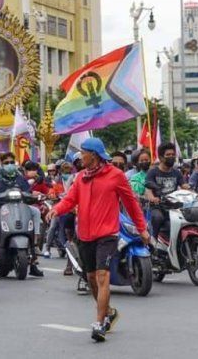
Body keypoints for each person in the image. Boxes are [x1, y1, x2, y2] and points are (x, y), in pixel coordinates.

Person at [48, 137, 149, 342]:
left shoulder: (116, 175)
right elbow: (70, 200)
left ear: (93, 155)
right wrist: (56, 210)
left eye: (83, 153)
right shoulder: (80, 177)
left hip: (108, 235)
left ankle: (99, 323)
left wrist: (142, 229)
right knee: (92, 279)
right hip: (85, 235)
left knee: (103, 277)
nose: (80, 157)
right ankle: (109, 312)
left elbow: (131, 204)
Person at [0, 152, 43, 277]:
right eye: (6, 163)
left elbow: (28, 191)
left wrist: (34, 196)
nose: (10, 165)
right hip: (1, 209)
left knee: (34, 215)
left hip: (20, 207)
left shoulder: (20, 178)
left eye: (12, 162)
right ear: (1, 164)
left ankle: (33, 259)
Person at [144, 143, 186, 241]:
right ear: (161, 157)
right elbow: (148, 188)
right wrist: (152, 198)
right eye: (168, 155)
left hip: (174, 206)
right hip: (158, 206)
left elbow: (184, 186)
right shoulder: (153, 172)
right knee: (158, 218)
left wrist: (192, 191)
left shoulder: (177, 172)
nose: (171, 157)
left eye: (173, 154)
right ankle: (153, 240)